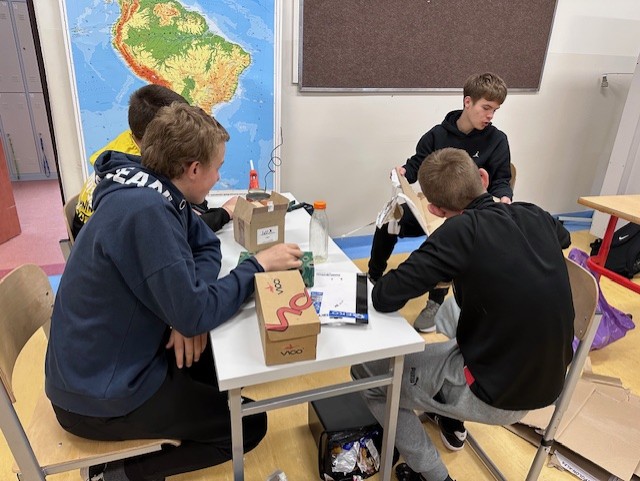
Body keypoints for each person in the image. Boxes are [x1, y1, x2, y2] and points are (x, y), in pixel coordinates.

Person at [45, 103, 304, 481]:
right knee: (246, 424)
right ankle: (118, 475)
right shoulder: (147, 213)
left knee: (219, 360)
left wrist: (189, 305)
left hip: (104, 364)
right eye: (217, 167)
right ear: (193, 169)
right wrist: (257, 267)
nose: (219, 177)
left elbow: (206, 247)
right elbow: (195, 311)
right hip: (97, 397)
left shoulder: (155, 187)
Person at [352, 148, 574, 481]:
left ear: (434, 210)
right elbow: (564, 238)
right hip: (551, 380)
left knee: (368, 375)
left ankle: (435, 476)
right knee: (448, 312)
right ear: (483, 178)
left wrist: (440, 267)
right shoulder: (534, 213)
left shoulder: (457, 234)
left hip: (498, 393)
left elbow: (384, 296)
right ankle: (443, 407)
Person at [367, 72, 513, 335]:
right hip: (434, 206)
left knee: (449, 246)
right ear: (467, 102)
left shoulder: (497, 140)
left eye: (495, 110)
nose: (490, 116)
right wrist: (403, 172)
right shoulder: (437, 135)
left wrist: (504, 197)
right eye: (486, 108)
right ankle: (374, 275)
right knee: (389, 220)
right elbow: (417, 164)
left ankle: (434, 304)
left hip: (468, 214)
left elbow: (502, 179)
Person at [71, 83, 236, 238]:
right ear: (160, 130)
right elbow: (181, 230)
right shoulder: (143, 172)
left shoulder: (129, 141)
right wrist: (226, 212)